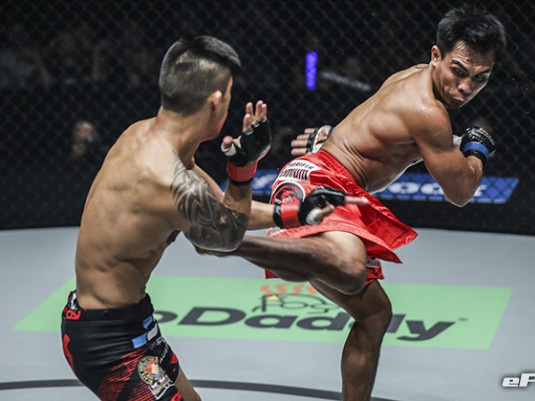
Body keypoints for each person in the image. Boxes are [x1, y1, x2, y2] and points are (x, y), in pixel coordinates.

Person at [209, 5, 507, 401]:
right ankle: (239, 240)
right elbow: (461, 191)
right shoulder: (429, 113)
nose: (466, 87)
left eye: (480, 78)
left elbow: (389, 132)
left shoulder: (414, 78)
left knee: (374, 313)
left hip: (321, 177)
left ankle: (250, 231)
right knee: (353, 278)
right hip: (322, 183)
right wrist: (478, 148)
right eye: (459, 71)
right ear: (436, 55)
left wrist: (331, 135)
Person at [60, 35, 356, 401]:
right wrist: (242, 171)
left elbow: (217, 209)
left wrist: (297, 211)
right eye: (230, 94)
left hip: (132, 322)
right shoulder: (165, 179)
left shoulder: (145, 134)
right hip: (107, 343)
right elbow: (224, 237)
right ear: (216, 102)